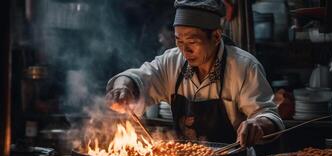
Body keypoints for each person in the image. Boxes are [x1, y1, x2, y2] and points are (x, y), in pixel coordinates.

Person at [105, 0, 284, 147]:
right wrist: (124, 87)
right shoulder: (171, 61)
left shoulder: (244, 66)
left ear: (216, 36)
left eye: (192, 41)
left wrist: (257, 125)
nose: (184, 50)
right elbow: (141, 77)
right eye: (179, 41)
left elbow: (269, 116)